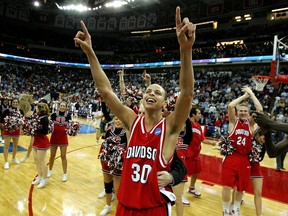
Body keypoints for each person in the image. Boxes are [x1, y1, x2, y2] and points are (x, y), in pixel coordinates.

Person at [74, 5, 195, 215]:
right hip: (125, 206)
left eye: (157, 92)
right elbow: (105, 90)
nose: (151, 93)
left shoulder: (171, 126)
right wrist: (90, 53)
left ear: (165, 104)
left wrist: (186, 50)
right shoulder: (132, 119)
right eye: (148, 90)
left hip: (153, 207)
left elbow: (186, 93)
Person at [221, 86, 263, 216]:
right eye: (241, 111)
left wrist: (251, 93)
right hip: (232, 157)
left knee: (241, 187)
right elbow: (230, 106)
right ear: (237, 112)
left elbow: (260, 110)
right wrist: (245, 97)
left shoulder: (250, 125)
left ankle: (236, 209)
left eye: (245, 111)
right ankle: (226, 210)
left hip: (245, 159)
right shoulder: (233, 122)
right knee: (227, 186)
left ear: (249, 114)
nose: (243, 112)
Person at [98, 116, 127, 216]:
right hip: (107, 162)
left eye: (120, 119)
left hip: (119, 164)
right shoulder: (109, 130)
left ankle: (119, 210)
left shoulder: (127, 133)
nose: (118, 121)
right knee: (107, 185)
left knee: (118, 189)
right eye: (116, 119)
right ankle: (108, 205)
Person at [186, 107, 216, 198]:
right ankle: (179, 194)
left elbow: (202, 139)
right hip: (187, 153)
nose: (200, 115)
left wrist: (212, 143)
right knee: (183, 174)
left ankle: (191, 188)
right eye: (198, 113)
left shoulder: (198, 126)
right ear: (193, 114)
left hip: (196, 154)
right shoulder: (187, 123)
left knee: (196, 172)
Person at [47, 101, 72, 182]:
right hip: (54, 137)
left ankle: (65, 174)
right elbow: (50, 125)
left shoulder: (68, 116)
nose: (62, 107)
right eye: (61, 105)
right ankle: (50, 170)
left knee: (63, 156)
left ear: (66, 107)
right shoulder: (53, 115)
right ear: (59, 106)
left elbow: (70, 127)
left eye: (63, 106)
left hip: (63, 138)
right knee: (52, 156)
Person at [31, 102, 51, 188]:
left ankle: (44, 178)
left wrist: (34, 130)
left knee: (42, 161)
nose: (35, 109)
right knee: (36, 160)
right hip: (36, 140)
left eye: (37, 108)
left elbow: (45, 131)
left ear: (40, 109)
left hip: (42, 141)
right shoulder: (37, 117)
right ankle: (39, 176)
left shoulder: (44, 119)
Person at [2, 98, 24, 169]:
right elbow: (2, 120)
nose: (15, 103)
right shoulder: (7, 111)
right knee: (6, 146)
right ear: (11, 103)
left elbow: (22, 121)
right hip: (8, 130)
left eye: (16, 102)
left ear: (18, 103)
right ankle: (6, 162)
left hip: (16, 131)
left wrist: (21, 129)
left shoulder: (20, 111)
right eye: (13, 102)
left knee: (15, 145)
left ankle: (14, 158)